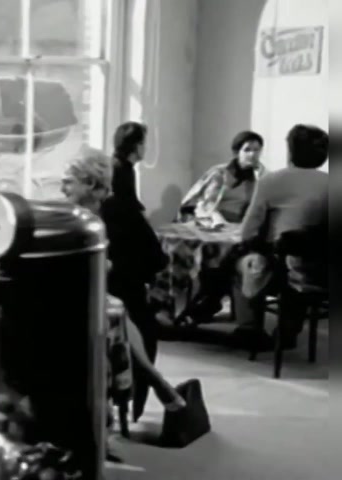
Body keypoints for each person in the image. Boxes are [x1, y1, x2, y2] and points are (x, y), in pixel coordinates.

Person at [60, 146, 182, 422]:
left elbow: (156, 260)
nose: (61, 188)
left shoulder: (121, 212)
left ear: (91, 184)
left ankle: (101, 409)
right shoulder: (69, 217)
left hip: (124, 294)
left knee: (114, 311)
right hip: (84, 295)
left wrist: (114, 269)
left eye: (68, 181)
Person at [230, 124, 329, 347]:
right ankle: (289, 329)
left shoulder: (271, 181)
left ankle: (249, 328)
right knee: (300, 261)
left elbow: (247, 232)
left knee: (240, 263)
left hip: (282, 268)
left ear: (290, 151)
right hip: (322, 272)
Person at [178, 130, 267, 223]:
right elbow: (208, 202)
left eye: (256, 150)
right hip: (211, 219)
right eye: (247, 150)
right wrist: (217, 219)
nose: (252, 154)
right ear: (237, 152)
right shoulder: (220, 173)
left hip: (240, 222)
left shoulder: (260, 175)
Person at [111, 121, 147, 212]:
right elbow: (128, 204)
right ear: (134, 145)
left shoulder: (124, 168)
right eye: (142, 143)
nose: (146, 147)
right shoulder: (122, 170)